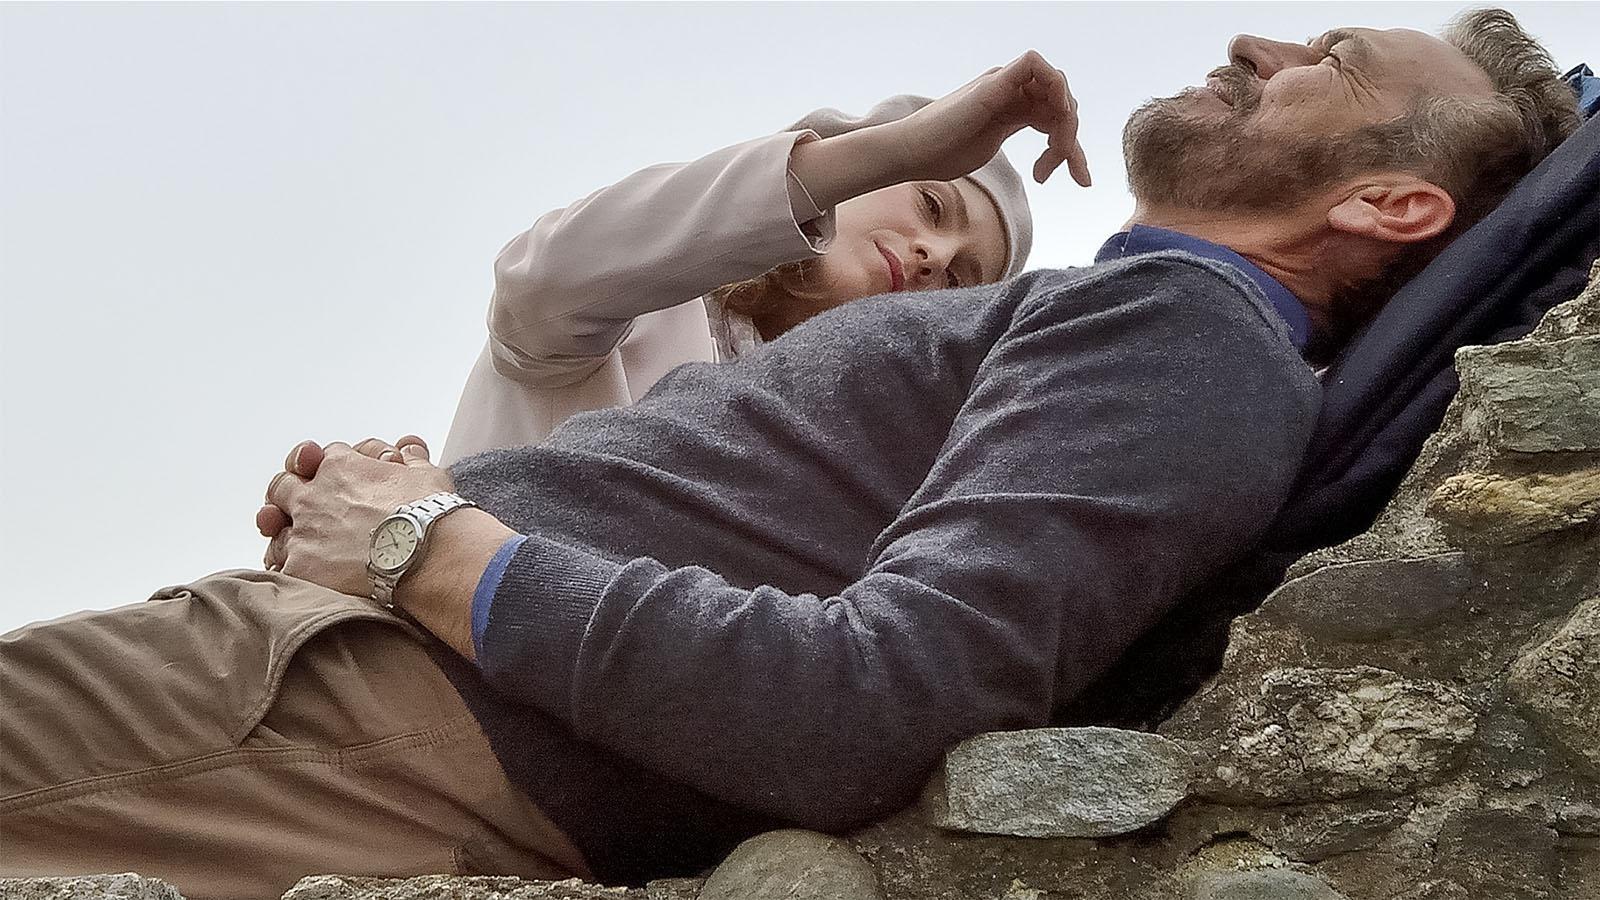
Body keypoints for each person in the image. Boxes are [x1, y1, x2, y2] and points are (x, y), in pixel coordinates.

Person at [0, 12, 1578, 900]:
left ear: (1390, 204)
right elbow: (557, 284)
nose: (1257, 38)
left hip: (365, 711)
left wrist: (425, 544)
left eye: (1335, 61)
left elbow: (866, 703)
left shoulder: (1185, 340)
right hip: (322, 687)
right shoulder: (1144, 325)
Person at [440, 59, 1081, 463]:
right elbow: (539, 283)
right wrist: (904, 148)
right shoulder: (641, 301)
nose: (933, 256)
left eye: (959, 280)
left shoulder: (842, 470)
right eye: (931, 206)